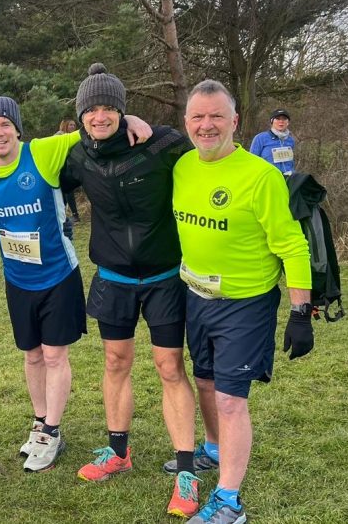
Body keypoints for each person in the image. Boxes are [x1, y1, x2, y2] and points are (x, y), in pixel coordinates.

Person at [0, 97, 151, 473]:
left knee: (54, 356)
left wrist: (128, 118)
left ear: (18, 130)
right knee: (32, 355)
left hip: (57, 276)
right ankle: (40, 423)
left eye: (5, 125)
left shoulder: (42, 152)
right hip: (17, 280)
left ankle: (52, 431)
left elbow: (94, 129)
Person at [60, 64, 201, 518]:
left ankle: (186, 470)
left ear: (122, 111)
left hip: (165, 277)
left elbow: (209, 152)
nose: (99, 116)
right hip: (114, 278)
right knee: (116, 362)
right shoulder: (78, 156)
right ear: (81, 116)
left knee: (170, 366)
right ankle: (118, 451)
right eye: (91, 110)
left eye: (109, 108)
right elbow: (29, 164)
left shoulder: (161, 144)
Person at [173, 80, 313, 524]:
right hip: (196, 297)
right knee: (205, 382)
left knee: (232, 400)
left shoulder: (260, 175)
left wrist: (300, 312)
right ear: (186, 123)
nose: (207, 125)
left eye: (217, 116)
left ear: (235, 121)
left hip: (246, 304)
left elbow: (292, 245)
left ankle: (229, 502)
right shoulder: (182, 167)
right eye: (198, 116)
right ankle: (214, 449)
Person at [248, 109, 296, 175]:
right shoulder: (260, 138)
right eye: (278, 119)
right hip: (269, 177)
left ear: (288, 122)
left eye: (284, 119)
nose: (281, 121)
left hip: (289, 177)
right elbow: (253, 160)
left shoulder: (290, 140)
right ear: (272, 121)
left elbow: (290, 161)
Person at [55, 119, 80, 224]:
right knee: (66, 192)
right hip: (63, 167)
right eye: (70, 125)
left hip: (72, 166)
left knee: (67, 192)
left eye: (74, 125)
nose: (73, 127)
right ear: (65, 125)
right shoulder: (59, 136)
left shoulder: (74, 137)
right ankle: (71, 215)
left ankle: (69, 215)